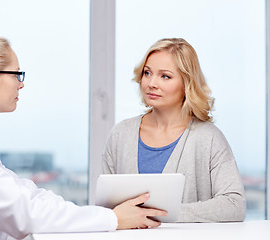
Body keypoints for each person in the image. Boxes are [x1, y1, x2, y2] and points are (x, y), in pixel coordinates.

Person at [0, 36, 168, 240]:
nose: (20, 84)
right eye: (16, 75)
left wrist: (99, 214)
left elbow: (25, 194)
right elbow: (24, 213)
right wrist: (112, 219)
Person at [102, 38, 246, 223]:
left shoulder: (209, 138)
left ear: (187, 84)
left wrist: (164, 214)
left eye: (165, 76)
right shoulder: (120, 134)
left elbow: (234, 205)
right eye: (147, 73)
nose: (151, 83)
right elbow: (105, 209)